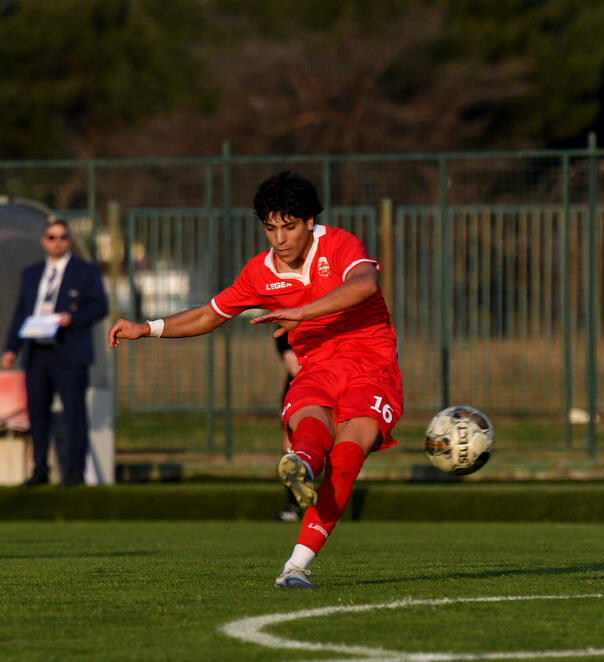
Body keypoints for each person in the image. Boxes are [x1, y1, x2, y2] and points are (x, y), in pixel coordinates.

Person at [108, 171, 403, 589]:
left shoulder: (338, 244)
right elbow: (209, 314)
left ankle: (295, 567)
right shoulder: (259, 274)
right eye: (271, 227)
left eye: (289, 226)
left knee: (347, 459)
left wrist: (302, 312)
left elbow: (365, 284)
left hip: (372, 366)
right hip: (315, 367)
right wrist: (148, 327)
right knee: (309, 422)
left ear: (310, 222)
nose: (280, 238)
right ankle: (300, 462)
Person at [3, 219, 109, 488]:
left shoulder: (85, 272)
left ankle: (75, 472)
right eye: (52, 237)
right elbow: (21, 313)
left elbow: (100, 307)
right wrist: (11, 348)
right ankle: (40, 469)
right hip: (37, 352)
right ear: (44, 241)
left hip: (69, 351)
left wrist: (70, 318)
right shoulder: (32, 273)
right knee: (37, 413)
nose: (57, 242)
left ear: (69, 240)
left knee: (75, 413)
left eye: (62, 237)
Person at [273, 332, 302, 522]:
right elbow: (295, 367)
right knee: (290, 448)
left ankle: (328, 506)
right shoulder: (283, 330)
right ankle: (294, 506)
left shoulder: (326, 316)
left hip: (326, 385)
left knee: (328, 446)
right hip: (299, 389)